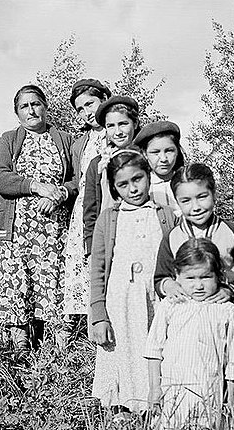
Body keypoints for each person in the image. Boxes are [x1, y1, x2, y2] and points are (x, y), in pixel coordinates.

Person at [154, 163, 234, 402]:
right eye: (186, 200)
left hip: (224, 320)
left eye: (202, 196)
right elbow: (160, 277)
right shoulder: (172, 236)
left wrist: (232, 291)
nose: (196, 206)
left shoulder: (232, 232)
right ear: (177, 202)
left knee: (230, 378)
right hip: (186, 326)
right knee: (195, 384)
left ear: (214, 193)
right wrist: (169, 287)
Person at [0, 84, 76, 356]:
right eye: (24, 106)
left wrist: (60, 192)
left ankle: (61, 343)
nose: (31, 110)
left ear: (46, 106)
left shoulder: (64, 139)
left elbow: (78, 178)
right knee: (18, 281)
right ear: (17, 113)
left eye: (36, 103)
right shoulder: (9, 140)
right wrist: (36, 186)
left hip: (55, 229)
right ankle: (21, 343)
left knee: (55, 278)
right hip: (17, 229)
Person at [90, 148, 178, 414]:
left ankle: (161, 408)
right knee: (124, 354)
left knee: (160, 351)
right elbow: (98, 268)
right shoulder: (110, 217)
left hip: (157, 299)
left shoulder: (164, 214)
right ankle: (123, 410)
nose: (133, 188)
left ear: (148, 176)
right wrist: (98, 314)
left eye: (137, 179)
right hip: (121, 303)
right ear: (115, 188)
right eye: (123, 184)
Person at [145, 238, 234, 430]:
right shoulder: (170, 306)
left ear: (219, 276)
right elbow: (154, 351)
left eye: (206, 277)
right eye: (190, 278)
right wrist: (154, 388)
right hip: (172, 390)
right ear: (177, 276)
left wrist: (231, 398)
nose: (198, 285)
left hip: (210, 390)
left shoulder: (226, 311)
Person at [63, 79, 111, 321]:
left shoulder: (118, 130)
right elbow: (76, 180)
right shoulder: (80, 143)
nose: (86, 113)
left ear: (103, 99)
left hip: (110, 205)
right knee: (83, 269)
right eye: (80, 109)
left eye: (90, 104)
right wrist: (62, 191)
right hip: (84, 211)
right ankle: (83, 329)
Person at [83, 95, 140, 257]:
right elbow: (91, 209)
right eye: (111, 126)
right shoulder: (98, 164)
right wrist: (92, 247)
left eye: (123, 124)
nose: (118, 132)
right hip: (111, 236)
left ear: (134, 123)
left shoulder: (147, 157)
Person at [134, 120, 185, 215]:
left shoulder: (186, 181)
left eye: (169, 151)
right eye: (155, 152)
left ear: (177, 151)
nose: (163, 159)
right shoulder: (141, 187)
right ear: (145, 154)